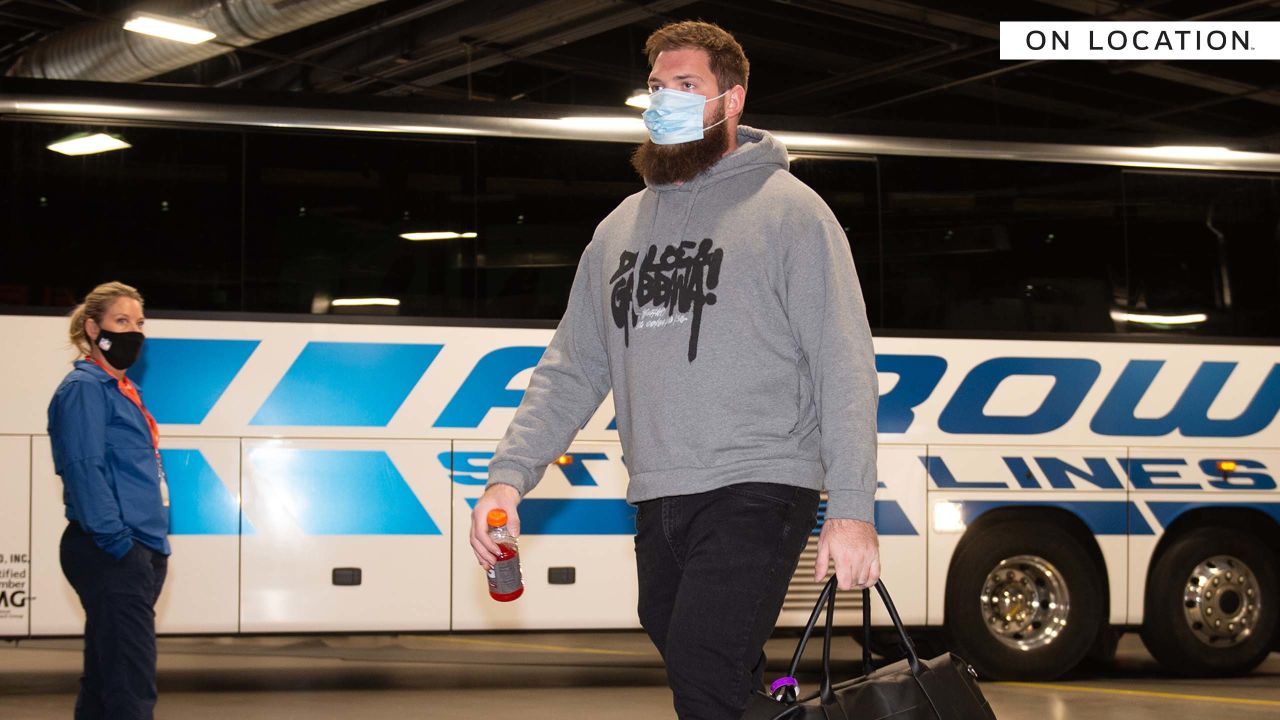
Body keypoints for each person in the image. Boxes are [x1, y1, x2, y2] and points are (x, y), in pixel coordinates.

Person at [469, 20, 880, 719]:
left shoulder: (791, 214)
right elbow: (571, 366)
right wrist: (508, 476)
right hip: (659, 491)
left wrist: (850, 508)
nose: (664, 101)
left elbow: (844, 361)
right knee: (706, 664)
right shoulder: (618, 229)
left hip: (760, 483)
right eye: (656, 88)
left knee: (702, 661)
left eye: (686, 86)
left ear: (732, 101)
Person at [48, 281, 169, 720]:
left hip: (135, 549)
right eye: (121, 321)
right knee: (130, 686)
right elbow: (85, 470)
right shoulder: (85, 389)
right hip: (112, 550)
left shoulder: (120, 391)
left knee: (106, 678)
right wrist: (122, 546)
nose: (134, 332)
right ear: (92, 327)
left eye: (139, 322)